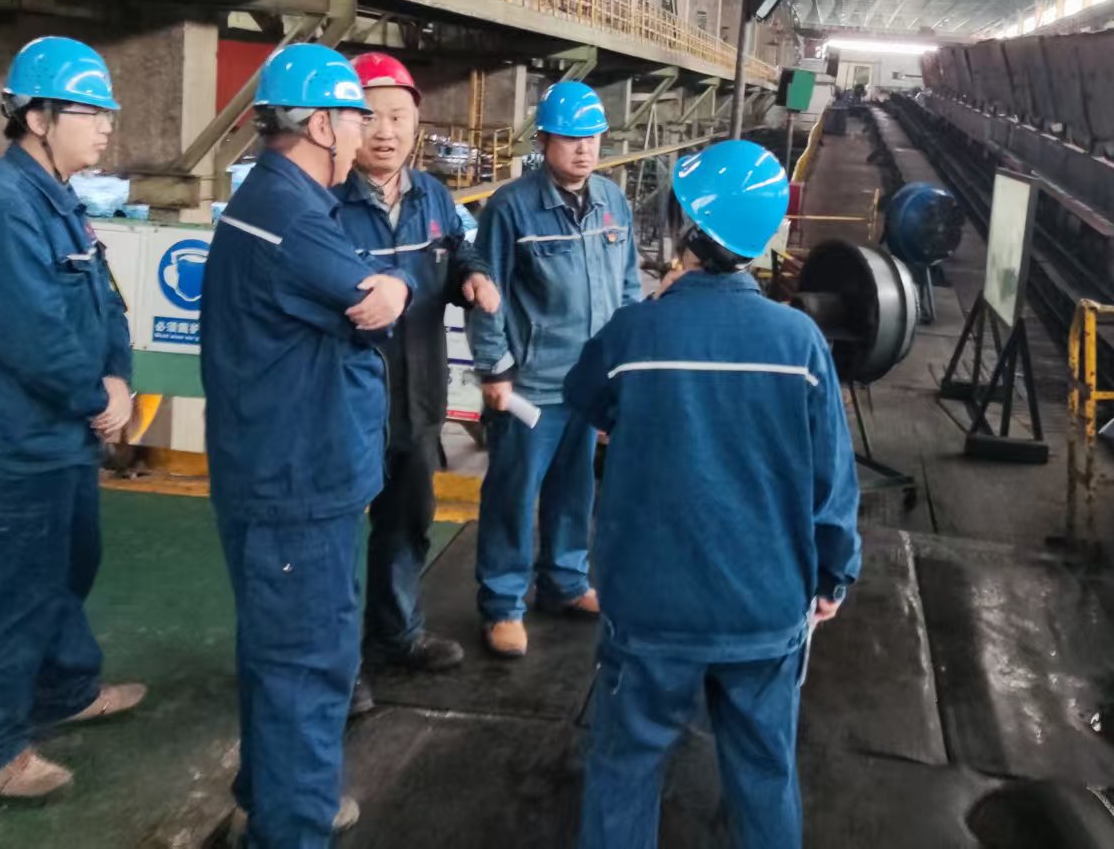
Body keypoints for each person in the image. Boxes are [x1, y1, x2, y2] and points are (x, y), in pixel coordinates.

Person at [565, 139, 861, 849]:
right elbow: (832, 481)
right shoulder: (800, 342)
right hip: (765, 603)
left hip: (651, 604)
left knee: (625, 767)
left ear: (686, 229)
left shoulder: (637, 332)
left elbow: (587, 398)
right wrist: (833, 574)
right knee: (764, 771)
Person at [200, 44, 411, 845]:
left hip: (275, 468)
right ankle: (291, 826)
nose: (364, 133)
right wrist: (396, 286)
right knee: (307, 664)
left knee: (275, 652)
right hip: (297, 481)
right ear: (321, 124)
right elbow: (373, 306)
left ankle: (272, 797)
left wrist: (390, 287)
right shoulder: (293, 219)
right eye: (355, 117)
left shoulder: (271, 198)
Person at [0, 36, 145, 800]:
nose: (105, 126)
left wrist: (118, 378)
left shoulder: (60, 201)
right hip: (19, 440)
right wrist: (98, 399)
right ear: (36, 117)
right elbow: (28, 333)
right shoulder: (1, 207)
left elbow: (107, 305)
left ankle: (63, 688)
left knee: (68, 567)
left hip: (64, 435)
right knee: (9, 592)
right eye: (90, 112)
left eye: (106, 112)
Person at [336, 52, 499, 688]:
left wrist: (474, 275)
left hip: (417, 396)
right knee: (336, 539)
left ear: (415, 123)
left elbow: (459, 248)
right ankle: (337, 666)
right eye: (370, 116)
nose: (385, 131)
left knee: (406, 525)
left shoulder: (432, 195)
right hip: (346, 403)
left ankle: (396, 633)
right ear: (342, 122)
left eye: (398, 116)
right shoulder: (325, 200)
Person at [466, 79, 641, 658]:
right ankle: (503, 604)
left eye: (592, 138)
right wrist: (494, 370)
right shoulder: (511, 207)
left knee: (575, 488)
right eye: (571, 138)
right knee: (514, 494)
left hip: (590, 383)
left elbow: (628, 287)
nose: (584, 149)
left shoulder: (613, 202)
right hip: (532, 386)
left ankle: (564, 582)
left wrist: (626, 363)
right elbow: (486, 294)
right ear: (544, 141)